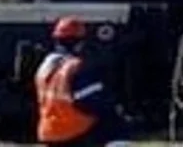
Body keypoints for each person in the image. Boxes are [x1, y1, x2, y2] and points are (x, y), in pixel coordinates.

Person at [34, 17, 125, 147]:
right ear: (80, 43)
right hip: (73, 132)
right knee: (116, 124)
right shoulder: (75, 67)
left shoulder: (45, 66)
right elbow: (89, 102)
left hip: (48, 131)